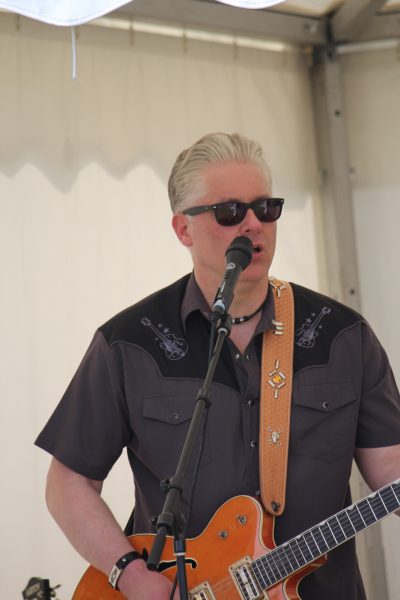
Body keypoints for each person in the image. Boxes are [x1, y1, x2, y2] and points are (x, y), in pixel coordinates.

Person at [35, 132, 400, 600]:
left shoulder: (342, 335)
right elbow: (69, 482)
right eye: (230, 212)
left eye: (266, 208)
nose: (253, 225)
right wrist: (130, 574)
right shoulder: (129, 342)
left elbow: (389, 463)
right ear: (183, 229)